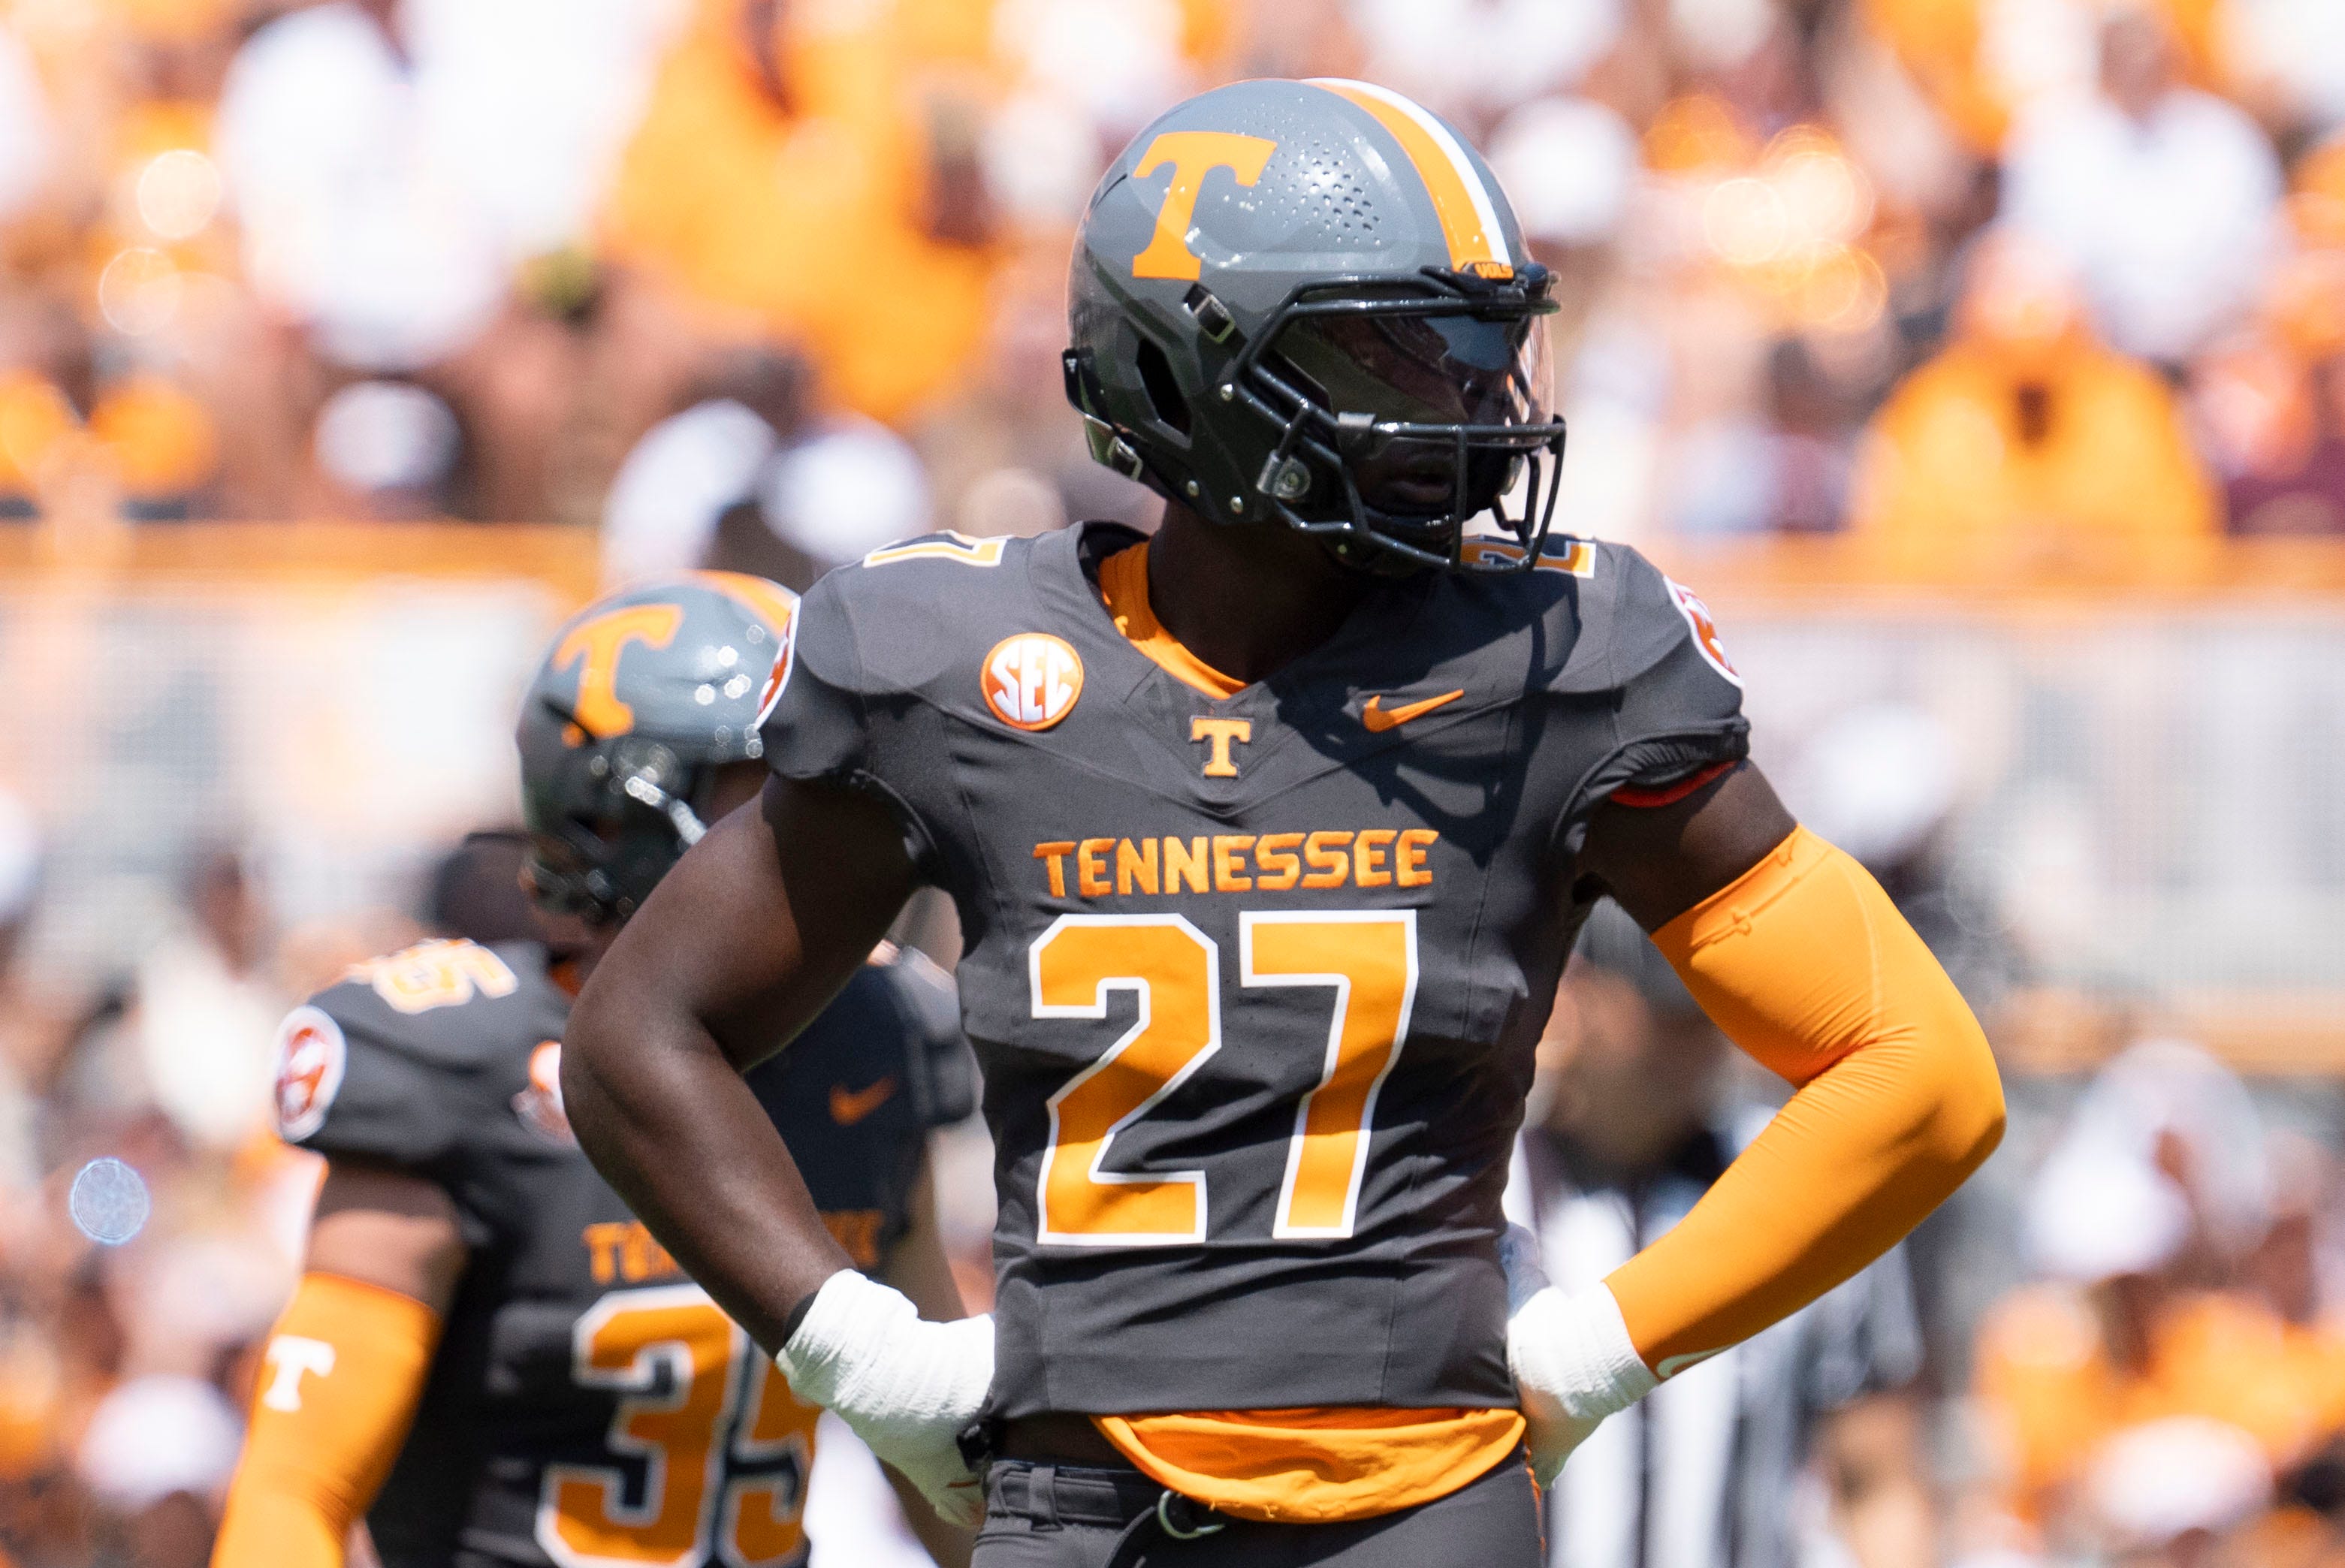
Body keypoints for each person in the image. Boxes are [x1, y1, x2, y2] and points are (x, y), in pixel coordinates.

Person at [563, 79, 2006, 1566]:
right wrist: (863, 1353)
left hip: (1418, 1503)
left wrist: (1601, 1345)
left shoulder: (1560, 661)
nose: (1467, 399)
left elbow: (1918, 1070)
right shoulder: (961, 666)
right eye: (1395, 346)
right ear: (1188, 372)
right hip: (1079, 1507)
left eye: (1478, 341)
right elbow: (637, 1039)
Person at [210, 574, 976, 1568]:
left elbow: (945, 1473)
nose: (847, 841)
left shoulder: (877, 1040)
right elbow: (295, 1495)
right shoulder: (460, 1070)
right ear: (623, 824)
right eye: (792, 797)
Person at [1515, 905, 1933, 1568]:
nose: (1705, 1033)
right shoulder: (1485, 1190)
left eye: (1718, 1004)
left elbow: (1876, 1480)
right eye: (1670, 1009)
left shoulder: (1807, 1181)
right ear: (1575, 989)